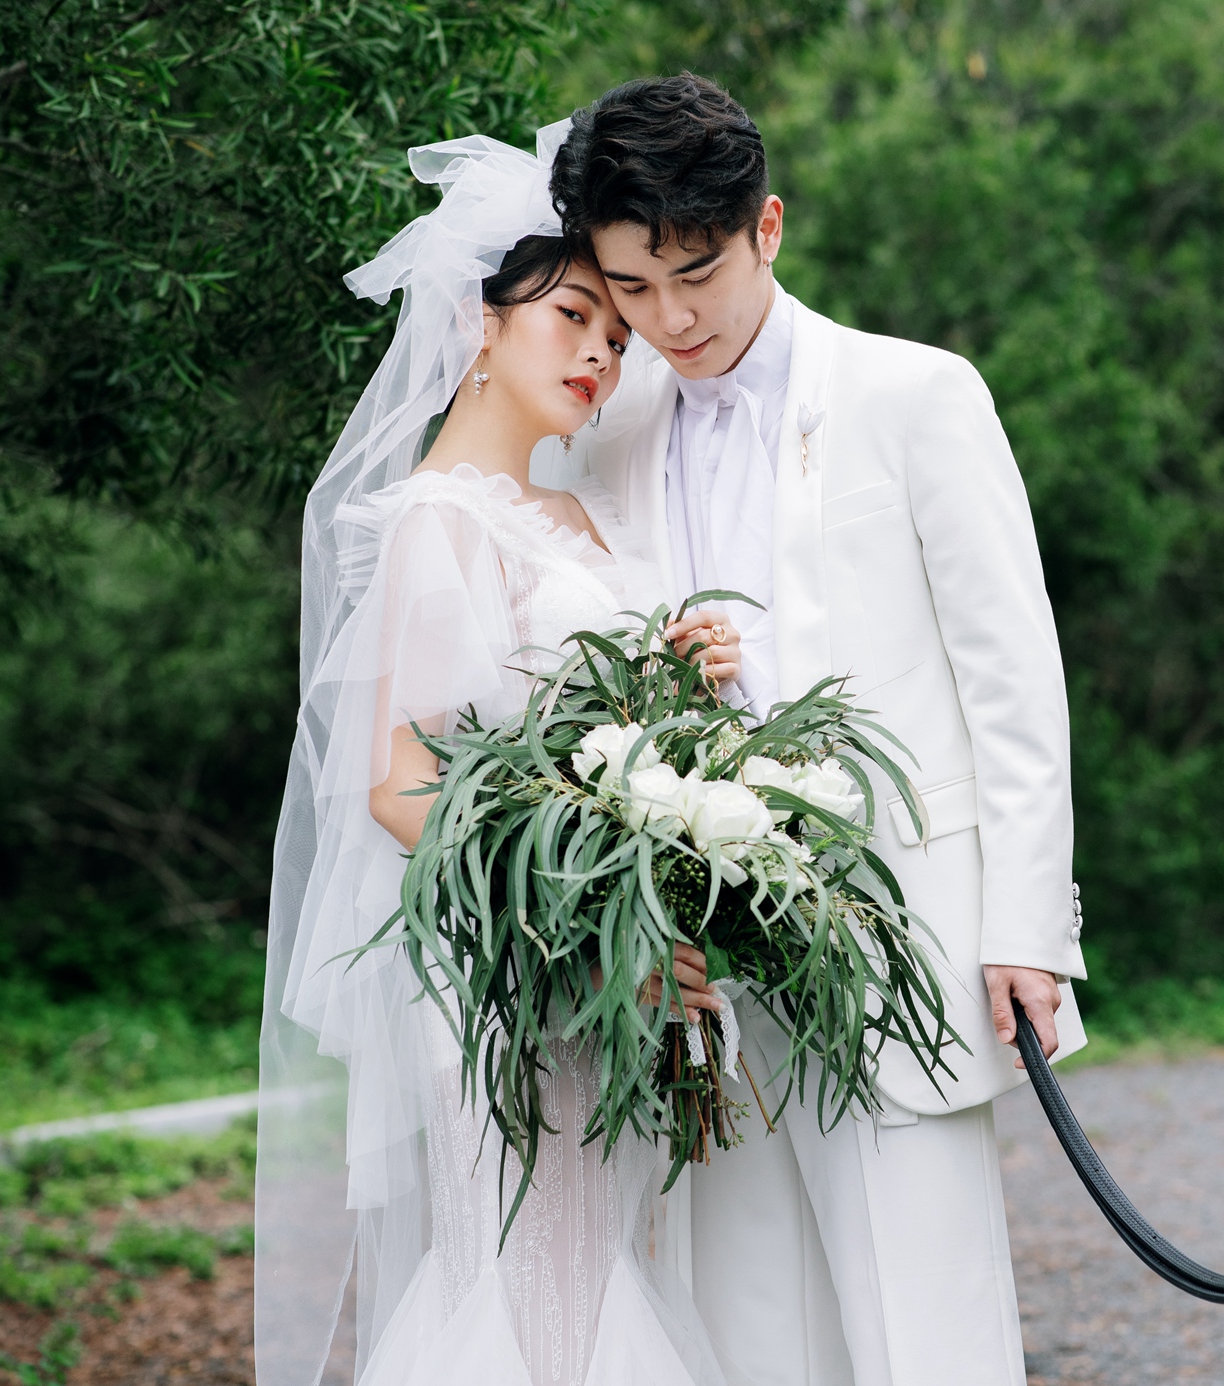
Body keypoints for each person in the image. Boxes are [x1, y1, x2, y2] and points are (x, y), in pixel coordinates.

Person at [548, 75, 1088, 1386]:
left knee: (925, 1335)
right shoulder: (603, 432)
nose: (667, 318)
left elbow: (1009, 677)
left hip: (900, 934)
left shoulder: (918, 394)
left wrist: (1024, 925)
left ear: (767, 228)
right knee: (750, 1338)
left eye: (695, 273)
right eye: (629, 286)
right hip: (705, 978)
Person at [254, 129, 745, 1386]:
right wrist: (591, 918)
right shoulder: (434, 522)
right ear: (479, 325)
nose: (601, 352)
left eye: (618, 338)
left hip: (611, 961)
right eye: (575, 315)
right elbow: (399, 778)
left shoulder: (577, 518)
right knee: (535, 1274)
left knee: (596, 1261)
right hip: (513, 960)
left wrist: (689, 690)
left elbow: (598, 738)